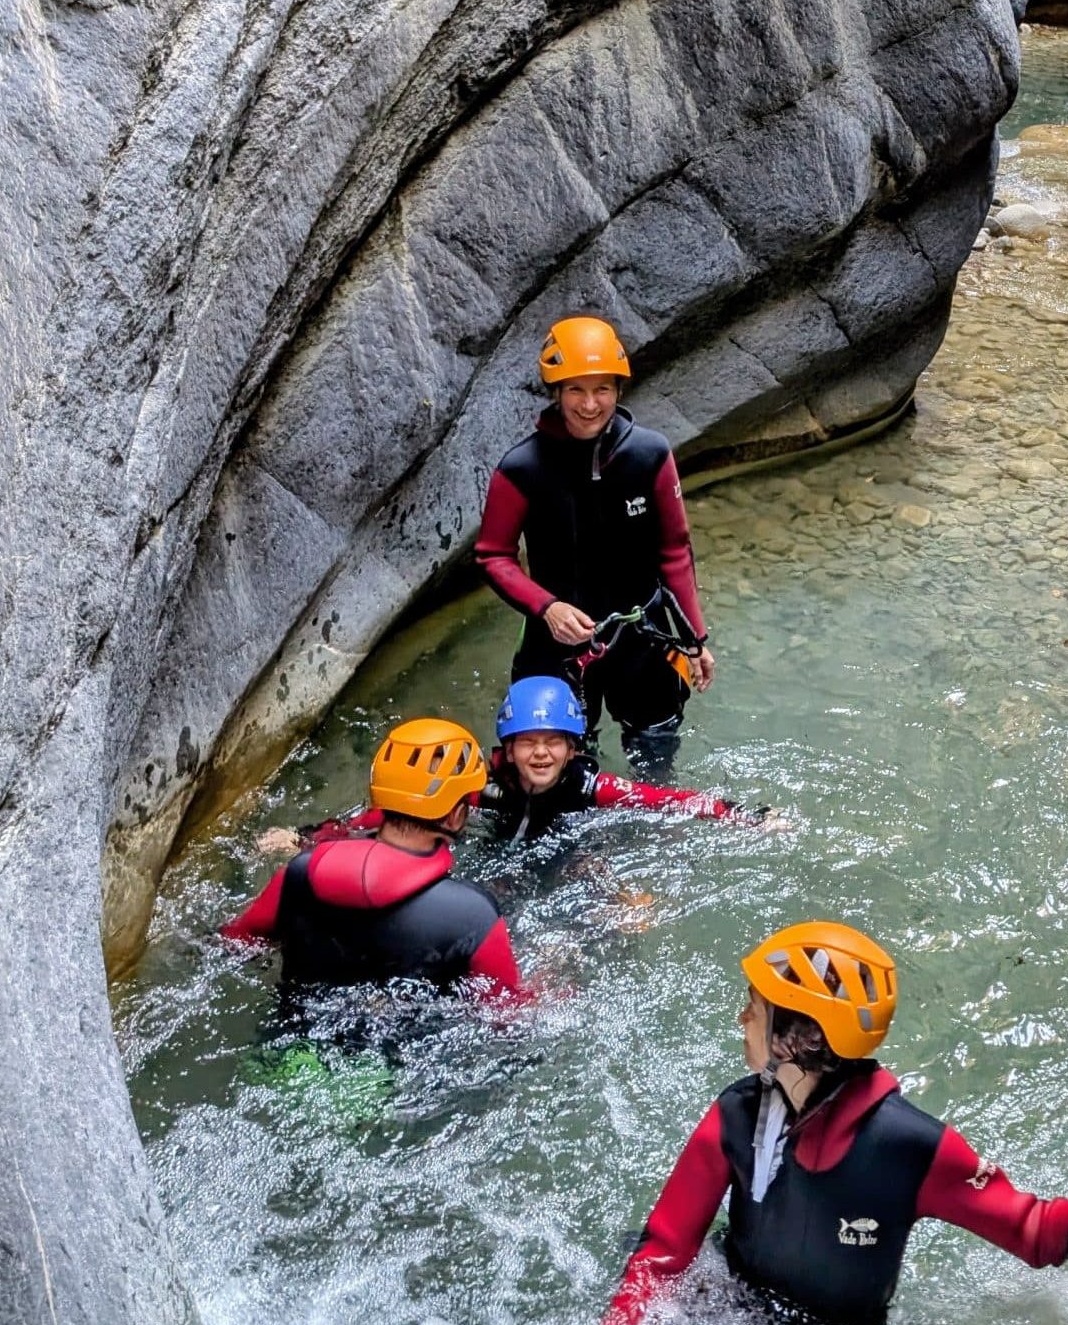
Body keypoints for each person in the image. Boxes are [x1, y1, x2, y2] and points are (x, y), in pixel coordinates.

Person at [584, 921, 1068, 1325]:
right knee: (626, 1254)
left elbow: (1034, 1232)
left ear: (795, 1036)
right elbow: (661, 1254)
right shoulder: (737, 1115)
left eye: (754, 1009)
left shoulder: (909, 1146)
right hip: (731, 1312)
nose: (741, 1019)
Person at [476, 315, 713, 773]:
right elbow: (492, 555)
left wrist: (695, 639)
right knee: (555, 777)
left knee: (656, 761)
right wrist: (547, 608)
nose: (589, 404)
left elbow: (675, 551)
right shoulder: (522, 468)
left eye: (602, 389)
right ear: (557, 392)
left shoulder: (651, 454)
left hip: (643, 640)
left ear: (618, 391)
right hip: (555, 644)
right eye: (575, 390)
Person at [222, 718, 524, 998]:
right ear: (456, 817)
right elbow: (508, 1015)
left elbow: (235, 943)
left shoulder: (302, 872)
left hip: (288, 1050)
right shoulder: (474, 915)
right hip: (392, 1054)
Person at [483, 676, 766, 842]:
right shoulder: (484, 786)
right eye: (527, 742)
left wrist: (748, 817)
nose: (541, 752)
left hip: (572, 848)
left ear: (571, 751)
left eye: (553, 742)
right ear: (508, 751)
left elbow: (673, 800)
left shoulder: (592, 789)